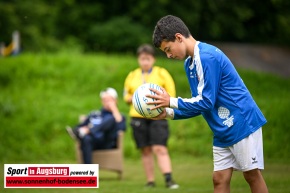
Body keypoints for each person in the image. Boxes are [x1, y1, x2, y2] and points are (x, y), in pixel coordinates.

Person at [147, 15, 268, 193]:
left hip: (241, 121)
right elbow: (199, 104)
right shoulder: (189, 63)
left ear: (179, 37)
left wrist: (171, 101)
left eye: (168, 49)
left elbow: (205, 102)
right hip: (222, 128)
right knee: (219, 179)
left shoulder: (206, 56)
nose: (169, 55)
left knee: (251, 175)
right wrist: (168, 113)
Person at [123, 44, 179, 189]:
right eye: (142, 59)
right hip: (137, 117)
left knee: (160, 148)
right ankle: (150, 181)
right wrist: (134, 98)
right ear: (138, 60)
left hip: (158, 115)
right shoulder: (132, 75)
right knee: (145, 149)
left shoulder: (162, 73)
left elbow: (171, 95)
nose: (145, 62)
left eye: (148, 59)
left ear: (153, 59)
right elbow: (126, 96)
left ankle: (168, 179)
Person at [67, 88, 126, 164]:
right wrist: (79, 129)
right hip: (93, 141)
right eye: (105, 100)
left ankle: (88, 131)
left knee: (110, 119)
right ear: (102, 101)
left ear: (115, 100)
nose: (107, 102)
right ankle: (88, 172)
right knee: (86, 138)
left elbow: (122, 128)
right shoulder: (95, 114)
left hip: (107, 141)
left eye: (110, 100)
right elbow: (80, 126)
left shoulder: (119, 116)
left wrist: (114, 109)